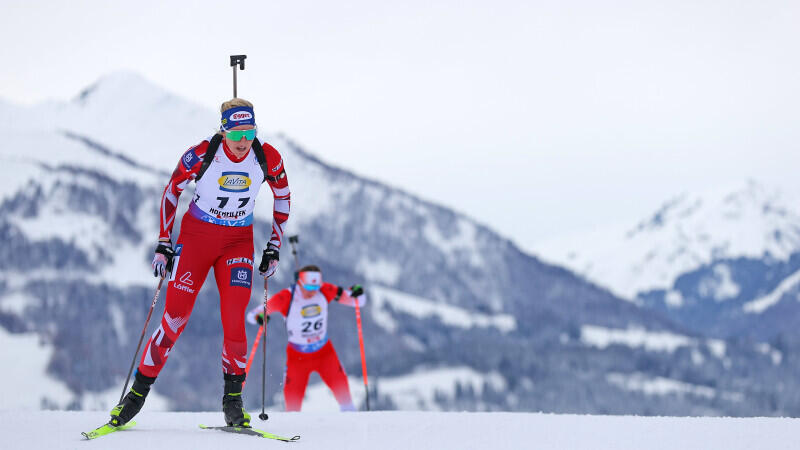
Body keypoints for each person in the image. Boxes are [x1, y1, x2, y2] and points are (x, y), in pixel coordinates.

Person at [109, 98, 291, 428]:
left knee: (234, 321)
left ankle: (233, 403)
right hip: (196, 239)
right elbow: (171, 190)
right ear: (223, 131)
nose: (242, 142)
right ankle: (135, 397)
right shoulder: (203, 153)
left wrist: (274, 247)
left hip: (238, 241)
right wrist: (164, 242)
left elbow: (283, 196)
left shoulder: (267, 157)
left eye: (249, 132)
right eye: (236, 133)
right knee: (174, 318)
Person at [247, 265, 366, 411]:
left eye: (315, 287)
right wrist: (260, 317)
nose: (312, 292)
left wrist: (357, 293)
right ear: (299, 283)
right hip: (297, 358)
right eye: (308, 288)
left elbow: (357, 301)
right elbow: (253, 315)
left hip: (325, 353)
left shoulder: (324, 290)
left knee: (346, 399)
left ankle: (352, 426)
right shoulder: (286, 297)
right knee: (292, 407)